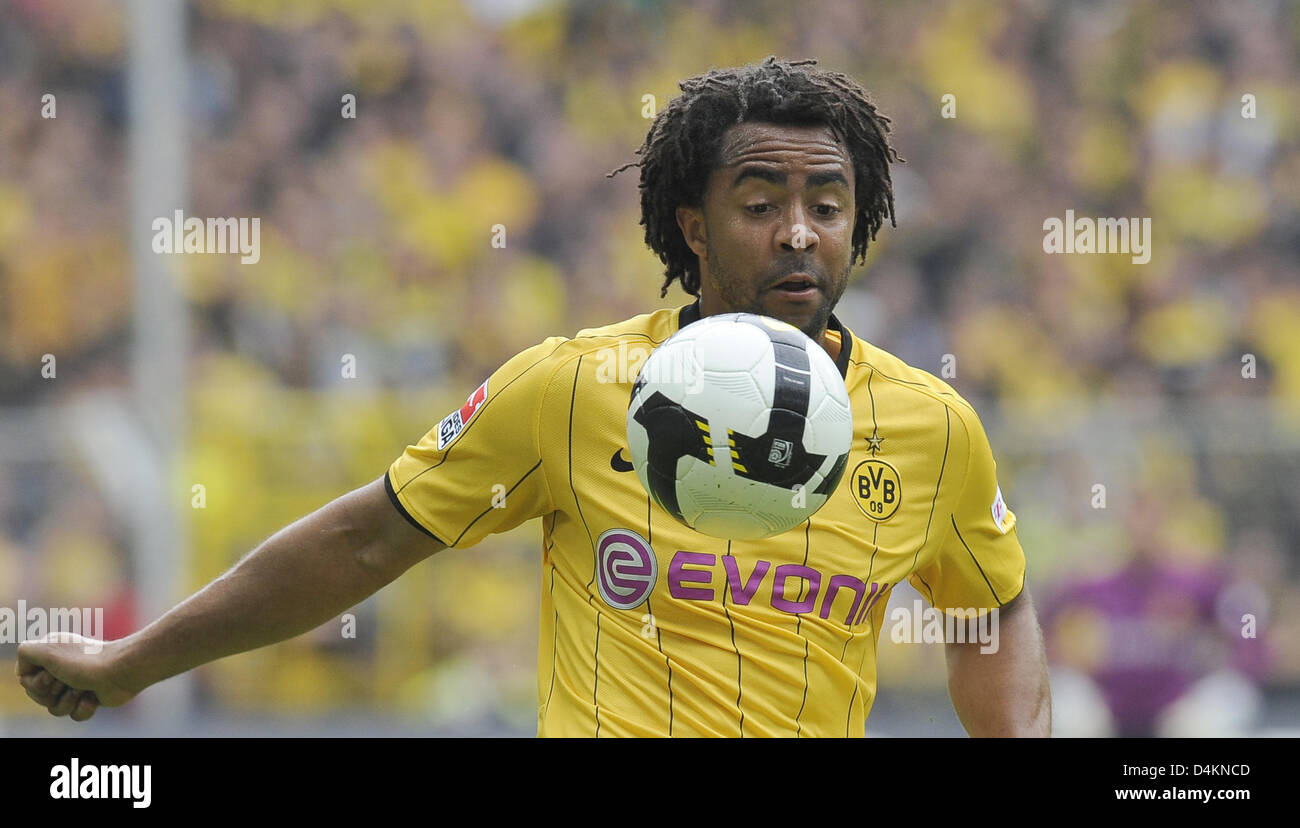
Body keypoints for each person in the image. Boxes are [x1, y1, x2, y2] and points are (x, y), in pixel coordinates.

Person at [17, 56, 1050, 737]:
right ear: (691, 226)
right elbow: (366, 540)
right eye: (759, 203)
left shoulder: (930, 428)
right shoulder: (571, 389)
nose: (797, 232)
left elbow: (990, 610)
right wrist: (134, 661)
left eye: (827, 206)